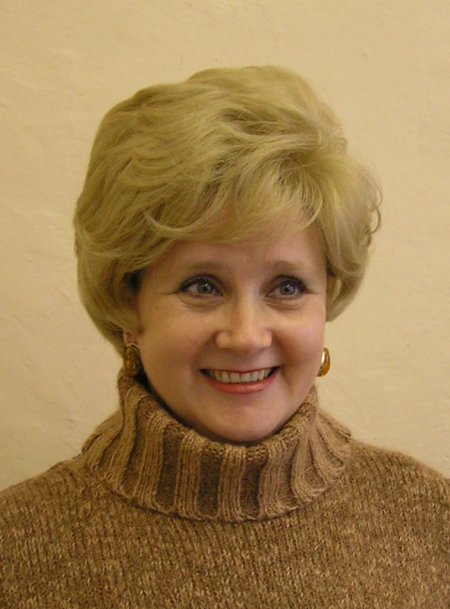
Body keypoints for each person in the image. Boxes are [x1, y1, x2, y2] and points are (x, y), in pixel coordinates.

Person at [0, 66, 448, 608]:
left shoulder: (427, 516)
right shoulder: (17, 551)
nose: (246, 336)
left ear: (326, 296)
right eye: (203, 286)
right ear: (127, 301)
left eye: (286, 287)